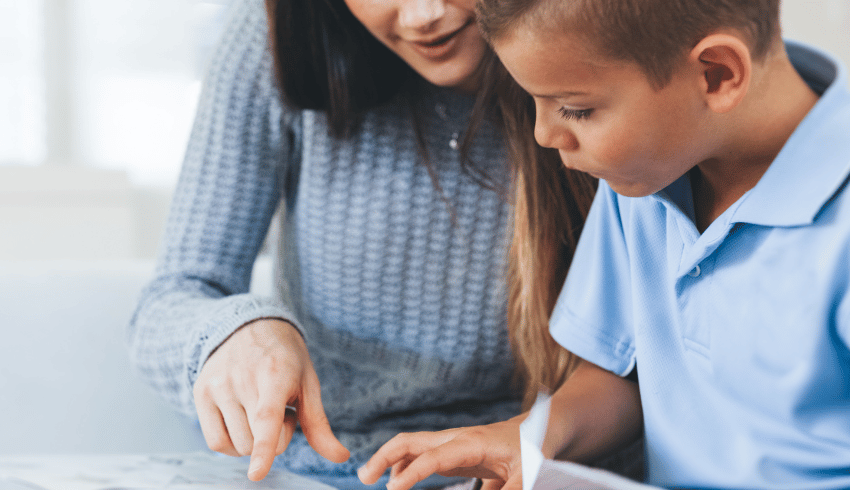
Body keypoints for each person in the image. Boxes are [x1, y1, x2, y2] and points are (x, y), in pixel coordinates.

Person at [357, 0, 850, 489]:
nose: (543, 134)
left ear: (717, 75)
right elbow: (619, 374)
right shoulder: (648, 174)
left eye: (576, 109)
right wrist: (525, 440)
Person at [127, 0, 596, 488]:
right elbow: (170, 299)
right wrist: (233, 333)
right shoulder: (267, 37)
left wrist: (534, 445)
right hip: (315, 473)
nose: (422, 16)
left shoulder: (596, 37)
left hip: (524, 468)